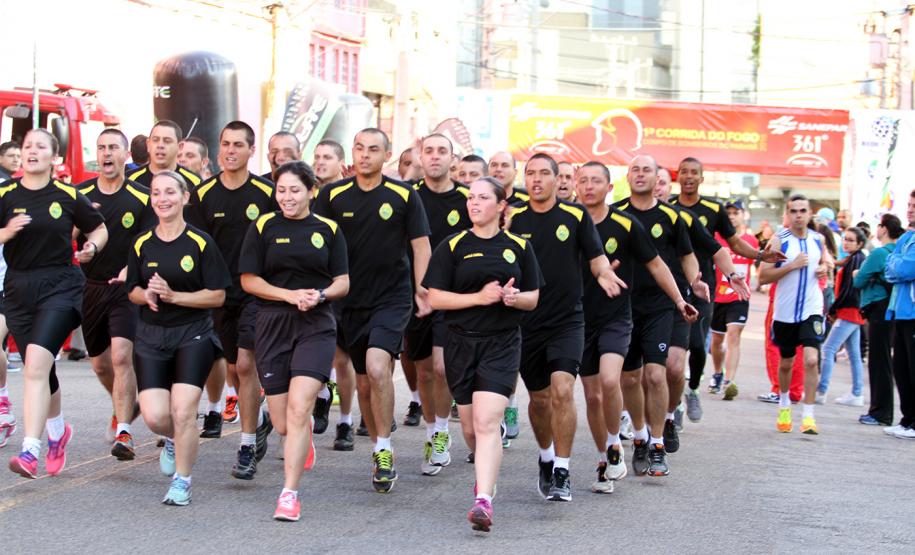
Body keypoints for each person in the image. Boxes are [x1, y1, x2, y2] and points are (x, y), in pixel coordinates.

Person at [313, 128, 432, 492]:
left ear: (387, 155)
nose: (365, 155)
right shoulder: (332, 195)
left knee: (380, 367)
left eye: (373, 149)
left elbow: (421, 246)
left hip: (391, 299)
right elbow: (314, 240)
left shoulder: (403, 195)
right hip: (347, 302)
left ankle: (384, 449)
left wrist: (422, 290)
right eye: (359, 148)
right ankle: (376, 437)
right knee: (363, 382)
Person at [424, 176, 542, 532]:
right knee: (473, 427)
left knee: (487, 422)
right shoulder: (453, 245)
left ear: (501, 205)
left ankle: (484, 500)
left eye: (483, 198)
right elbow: (436, 297)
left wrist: (511, 298)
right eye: (471, 198)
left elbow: (532, 297)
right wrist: (479, 297)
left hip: (502, 342)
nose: (474, 203)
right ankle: (485, 477)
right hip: (461, 341)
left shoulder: (519, 247)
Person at [510, 153, 625, 501]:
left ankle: (562, 468)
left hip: (567, 321)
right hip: (527, 323)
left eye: (545, 173)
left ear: (558, 179)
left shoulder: (574, 217)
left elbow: (596, 257)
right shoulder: (514, 219)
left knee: (562, 390)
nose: (537, 179)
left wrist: (605, 274)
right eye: (530, 173)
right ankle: (545, 457)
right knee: (540, 399)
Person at [575, 161, 694, 494]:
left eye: (595, 181)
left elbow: (656, 264)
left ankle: (652, 444)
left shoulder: (625, 225)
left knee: (632, 378)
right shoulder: (568, 223)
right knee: (596, 394)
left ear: (609, 187)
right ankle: (614, 452)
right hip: (579, 320)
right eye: (582, 180)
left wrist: (678, 299)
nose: (588, 186)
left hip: (622, 315)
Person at [239, 161, 349, 520]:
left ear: (311, 191)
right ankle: (300, 439)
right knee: (285, 422)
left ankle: (289, 494)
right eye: (281, 190)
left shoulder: (329, 228)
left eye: (295, 190)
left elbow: (342, 282)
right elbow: (249, 280)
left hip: (315, 323)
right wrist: (288, 295)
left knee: (300, 409)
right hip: (272, 323)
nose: (287, 197)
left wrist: (319, 295)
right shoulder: (263, 226)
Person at [5, 128, 108, 478]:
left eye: (40, 147)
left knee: (34, 362)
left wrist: (92, 248)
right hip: (19, 288)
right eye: (27, 146)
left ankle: (30, 450)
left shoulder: (67, 195)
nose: (32, 151)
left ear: (54, 157)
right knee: (42, 368)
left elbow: (98, 228)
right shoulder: (4, 193)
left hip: (61, 286)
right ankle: (57, 431)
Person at [126, 170, 229, 505]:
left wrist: (174, 296)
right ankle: (172, 437)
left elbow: (217, 296)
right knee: (157, 416)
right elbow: (132, 291)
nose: (163, 199)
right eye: (157, 193)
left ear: (185, 197)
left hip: (193, 334)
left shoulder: (200, 242)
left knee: (184, 411)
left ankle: (182, 481)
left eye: (170, 192)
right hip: (151, 336)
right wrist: (149, 295)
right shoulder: (142, 242)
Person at [189, 121, 277, 478]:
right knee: (232, 369)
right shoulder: (204, 193)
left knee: (245, 365)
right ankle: (260, 418)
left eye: (238, 145)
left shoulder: (266, 192)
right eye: (225, 143)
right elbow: (194, 244)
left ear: (251, 151)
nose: (230, 150)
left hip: (256, 294)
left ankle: (245, 446)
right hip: (218, 296)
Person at [670, 157, 783, 422]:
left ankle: (693, 389)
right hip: (672, 285)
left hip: (703, 288)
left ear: (701, 178)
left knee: (698, 346)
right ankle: (672, 406)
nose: (688, 177)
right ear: (678, 177)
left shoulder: (713, 208)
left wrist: (759, 255)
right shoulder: (668, 208)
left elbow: (732, 243)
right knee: (673, 352)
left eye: (693, 173)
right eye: (684, 172)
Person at [615, 154, 701, 477]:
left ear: (657, 178)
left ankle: (657, 443)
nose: (640, 175)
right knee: (630, 378)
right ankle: (638, 437)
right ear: (627, 176)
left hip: (660, 306)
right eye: (635, 169)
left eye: (646, 170)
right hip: (623, 308)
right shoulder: (617, 214)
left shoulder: (671, 217)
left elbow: (687, 256)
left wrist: (695, 283)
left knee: (656, 375)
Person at [77, 129, 156, 460]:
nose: (107, 153)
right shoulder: (79, 194)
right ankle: (124, 403)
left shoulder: (140, 197)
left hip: (125, 290)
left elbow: (152, 242)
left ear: (125, 155)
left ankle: (124, 431)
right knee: (100, 365)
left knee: (122, 356)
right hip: (90, 288)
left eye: (113, 148)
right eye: (101, 148)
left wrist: (133, 271)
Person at [407, 134, 471, 475]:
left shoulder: (465, 199)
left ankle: (443, 431)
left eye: (441, 151)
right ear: (420, 156)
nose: (434, 157)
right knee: (425, 371)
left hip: (452, 299)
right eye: (429, 151)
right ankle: (431, 430)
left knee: (443, 367)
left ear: (453, 160)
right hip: (415, 296)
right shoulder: (409, 196)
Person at [759, 194, 833, 435]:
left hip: (811, 308)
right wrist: (791, 265)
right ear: (787, 214)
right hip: (785, 311)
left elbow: (824, 265)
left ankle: (809, 416)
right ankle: (784, 405)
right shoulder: (780, 241)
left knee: (812, 359)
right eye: (794, 211)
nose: (798, 215)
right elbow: (763, 277)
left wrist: (823, 269)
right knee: (787, 362)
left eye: (803, 210)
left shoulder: (818, 239)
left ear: (810, 213)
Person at [310, 138, 356, 445]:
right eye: (316, 156)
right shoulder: (309, 195)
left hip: (350, 284)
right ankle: (323, 392)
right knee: (323, 352)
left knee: (344, 359)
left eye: (327, 157)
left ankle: (346, 421)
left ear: (341, 163)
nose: (320, 162)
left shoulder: (349, 194)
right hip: (319, 285)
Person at [854, 213, 904, 426]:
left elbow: (859, 280)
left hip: (879, 309)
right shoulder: (899, 251)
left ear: (884, 229)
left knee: (879, 361)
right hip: (894, 309)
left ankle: (880, 412)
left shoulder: (879, 253)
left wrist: (857, 273)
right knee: (888, 360)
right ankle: (884, 412)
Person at [709, 200, 758, 400]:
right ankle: (718, 373)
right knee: (717, 340)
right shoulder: (715, 238)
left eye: (735, 212)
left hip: (739, 296)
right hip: (717, 297)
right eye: (728, 212)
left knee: (734, 335)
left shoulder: (750, 240)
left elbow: (754, 266)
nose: (731, 216)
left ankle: (730, 381)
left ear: (743, 215)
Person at [816, 227, 868, 406]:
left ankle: (821, 391)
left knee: (828, 349)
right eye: (845, 239)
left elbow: (848, 290)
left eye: (850, 240)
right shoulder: (854, 259)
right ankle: (857, 392)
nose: (846, 242)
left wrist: (833, 310)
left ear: (860, 243)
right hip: (852, 311)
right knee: (854, 354)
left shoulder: (856, 260)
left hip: (849, 311)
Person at [884, 190, 915, 439]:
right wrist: (898, 265)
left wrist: (898, 265)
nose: (910, 209)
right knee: (901, 368)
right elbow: (890, 268)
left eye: (914, 206)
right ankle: (907, 420)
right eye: (909, 205)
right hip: (900, 311)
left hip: (913, 312)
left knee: (912, 368)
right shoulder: (907, 237)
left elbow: (906, 267)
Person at [127, 121, 201, 190]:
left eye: (167, 141)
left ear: (179, 147)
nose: (160, 145)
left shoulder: (195, 182)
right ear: (148, 144)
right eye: (155, 140)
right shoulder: (129, 180)